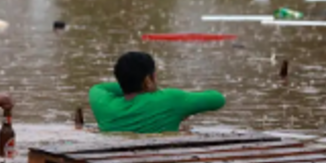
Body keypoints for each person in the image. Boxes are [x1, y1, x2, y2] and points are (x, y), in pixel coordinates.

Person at [89, 52, 225, 133]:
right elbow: (218, 99)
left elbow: (99, 88)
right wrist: (159, 92)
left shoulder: (103, 104)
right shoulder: (171, 99)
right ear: (148, 79)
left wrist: (129, 85)